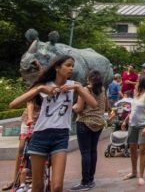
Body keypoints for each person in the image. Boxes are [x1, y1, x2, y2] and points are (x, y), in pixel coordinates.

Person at [10, 54, 97, 192]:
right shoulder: (44, 85)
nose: (71, 69)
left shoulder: (73, 85)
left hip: (61, 136)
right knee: (37, 186)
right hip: (40, 136)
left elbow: (93, 104)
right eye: (68, 65)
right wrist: (39, 89)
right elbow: (13, 104)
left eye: (72, 66)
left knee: (57, 186)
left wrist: (78, 89)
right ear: (57, 67)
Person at [70, 69, 107, 191]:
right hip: (98, 123)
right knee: (93, 151)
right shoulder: (102, 89)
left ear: (89, 78)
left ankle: (85, 182)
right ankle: (91, 179)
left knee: (85, 153)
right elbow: (104, 106)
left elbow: (79, 108)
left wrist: (72, 107)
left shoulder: (85, 90)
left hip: (84, 123)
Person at [123, 74, 145, 185]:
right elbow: (134, 109)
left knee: (142, 150)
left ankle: (141, 175)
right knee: (132, 148)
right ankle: (133, 172)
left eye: (137, 80)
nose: (135, 82)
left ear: (143, 82)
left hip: (143, 125)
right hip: (133, 124)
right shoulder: (136, 93)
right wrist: (126, 120)